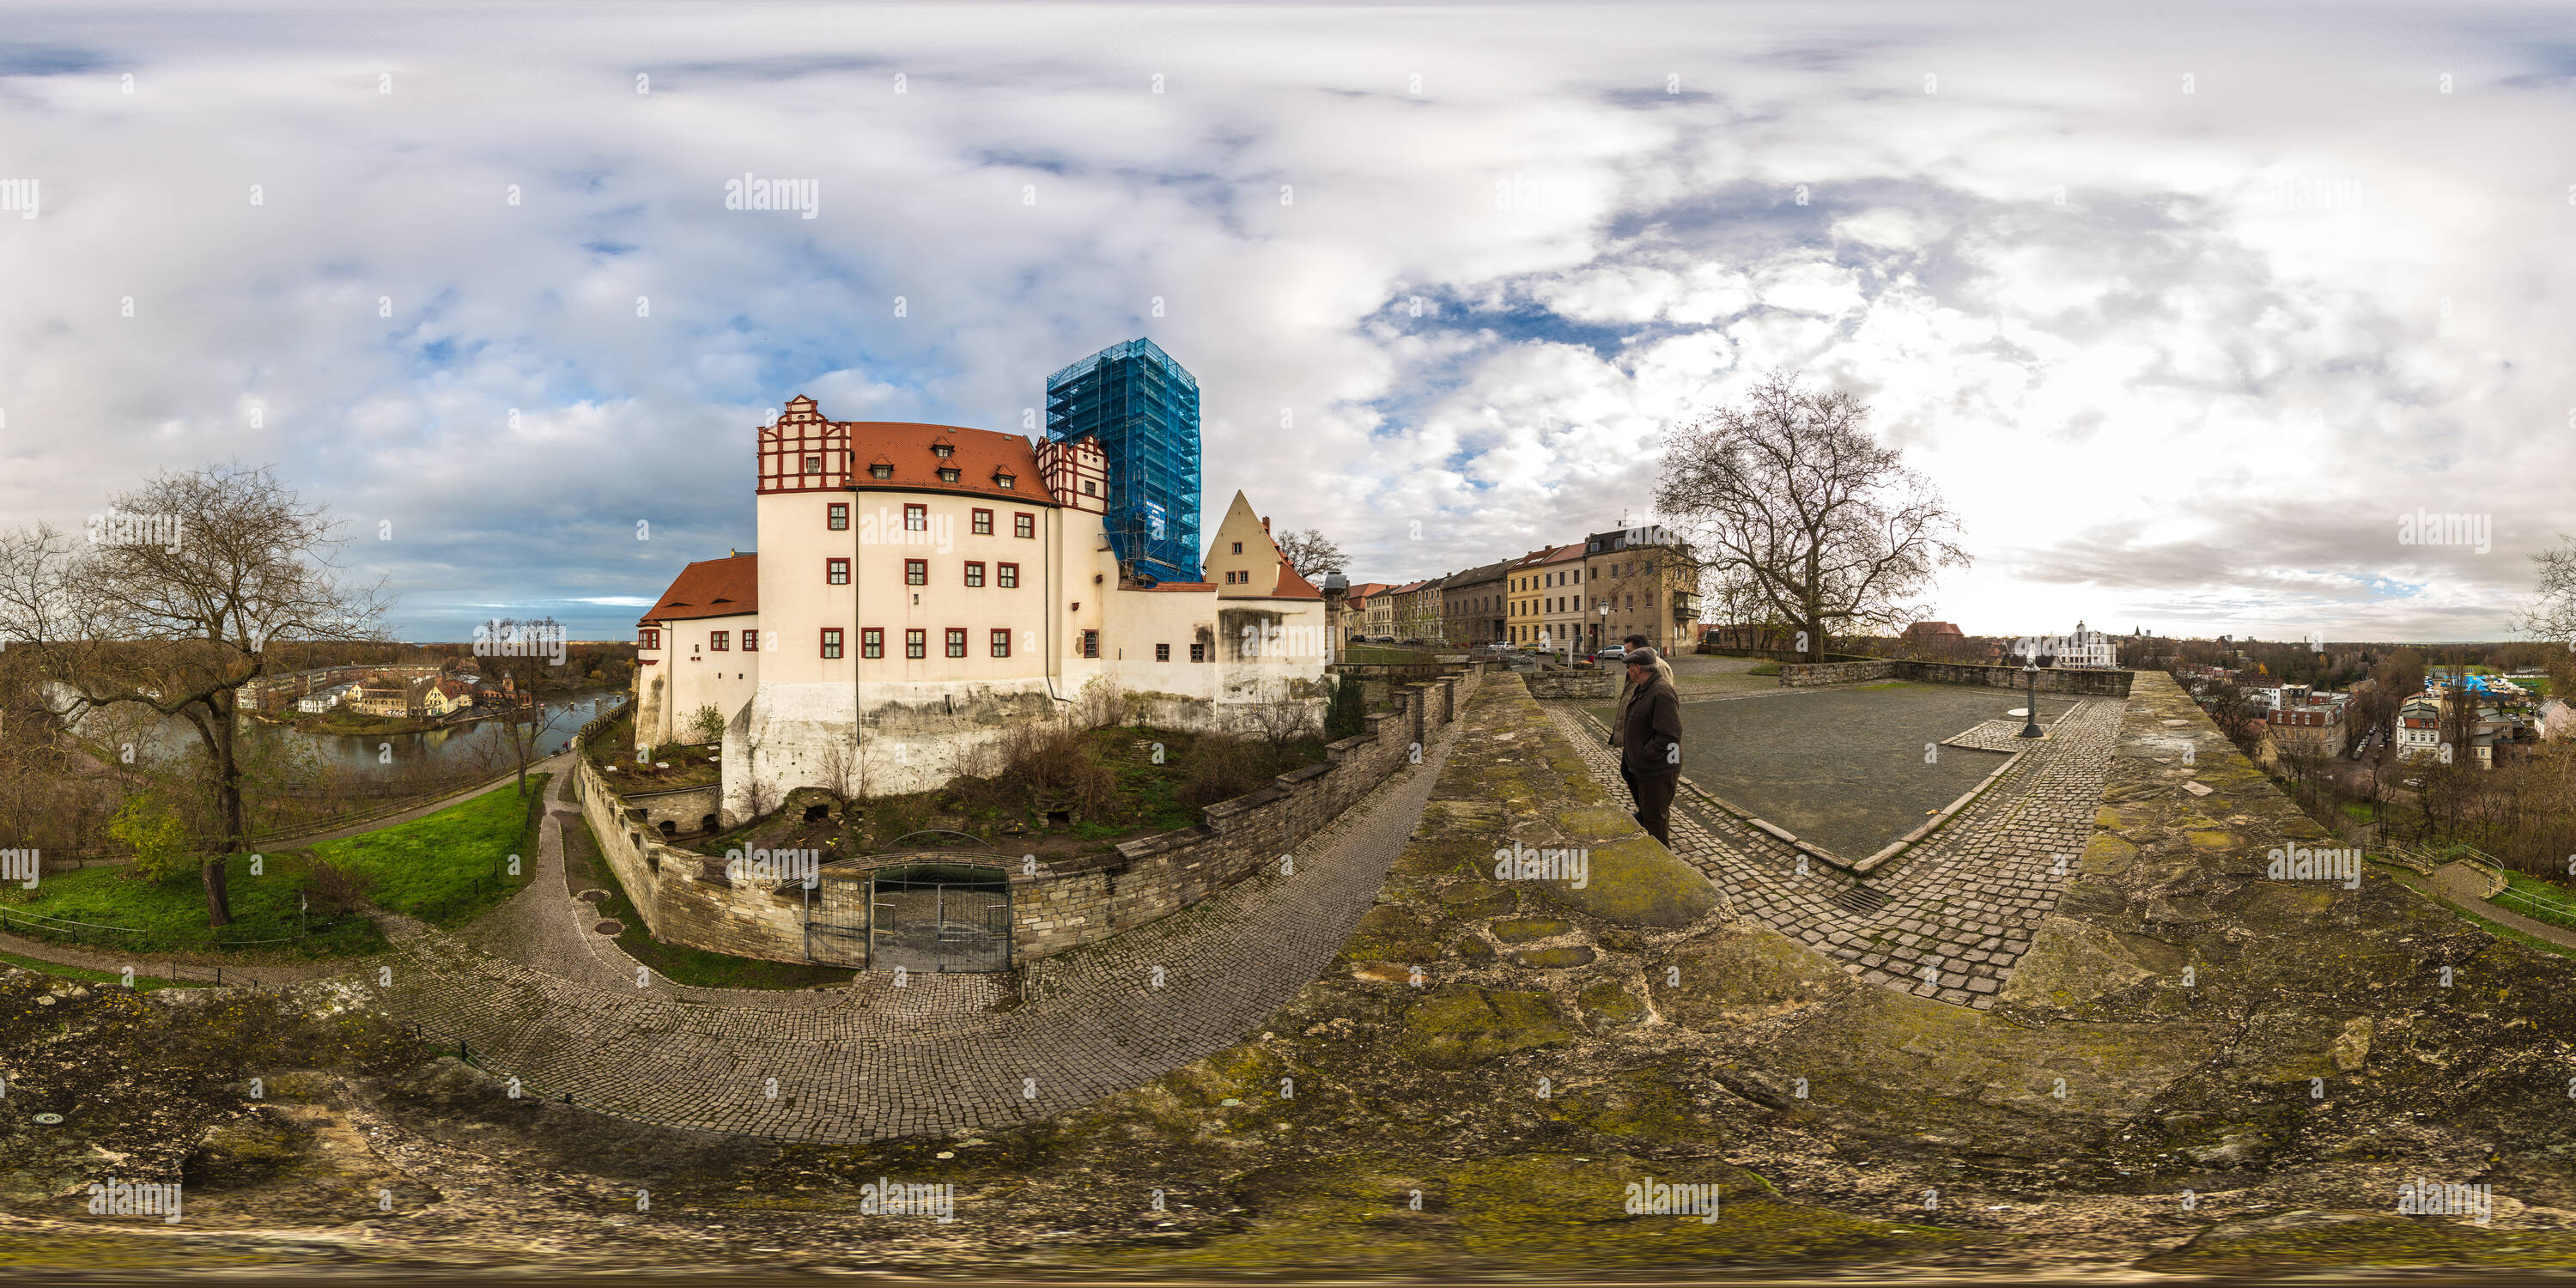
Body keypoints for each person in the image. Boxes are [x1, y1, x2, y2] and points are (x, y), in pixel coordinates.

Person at [1621, 647, 1683, 845]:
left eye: (1629, 668)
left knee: (1656, 823)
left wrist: (1645, 755)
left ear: (1638, 669)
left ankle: (1664, 867)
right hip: (1647, 768)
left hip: (1658, 770)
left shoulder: (1660, 691)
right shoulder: (1645, 687)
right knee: (1650, 817)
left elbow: (1670, 736)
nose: (1628, 672)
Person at [1607, 632, 1666, 804]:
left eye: (1629, 651)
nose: (1626, 655)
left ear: (1641, 651)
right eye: (1625, 651)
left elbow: (1665, 705)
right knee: (1628, 771)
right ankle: (1645, 812)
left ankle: (1648, 814)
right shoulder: (1633, 668)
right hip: (1634, 733)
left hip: (1645, 737)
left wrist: (1648, 750)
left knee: (1637, 775)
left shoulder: (1659, 668)